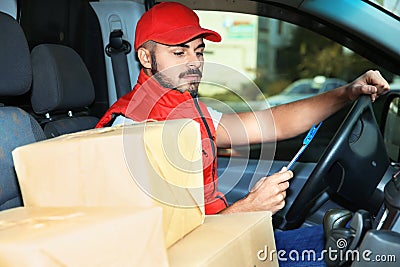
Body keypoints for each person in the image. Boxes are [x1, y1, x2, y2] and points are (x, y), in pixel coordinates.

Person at [95, 2, 390, 265]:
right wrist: (249, 207)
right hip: (203, 254)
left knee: (352, 245)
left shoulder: (187, 109)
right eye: (178, 52)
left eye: (198, 51)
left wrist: (346, 93)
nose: (194, 63)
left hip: (224, 240)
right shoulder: (130, 130)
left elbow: (270, 123)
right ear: (146, 58)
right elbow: (156, 249)